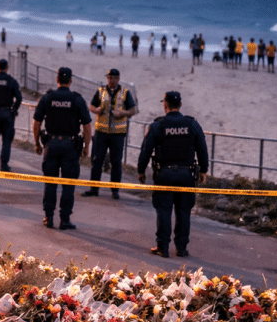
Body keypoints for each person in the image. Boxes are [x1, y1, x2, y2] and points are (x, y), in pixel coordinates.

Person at [137, 91, 208, 258]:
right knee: (183, 211)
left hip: (164, 174)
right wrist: (203, 170)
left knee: (164, 210)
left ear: (165, 105)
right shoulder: (192, 124)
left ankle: (162, 247)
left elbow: (146, 150)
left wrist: (141, 170)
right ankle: (181, 248)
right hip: (186, 174)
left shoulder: (158, 125)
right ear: (180, 105)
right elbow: (202, 149)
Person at [33, 67, 92, 229]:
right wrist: (86, 147)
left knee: (50, 182)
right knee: (68, 184)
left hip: (51, 144)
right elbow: (87, 126)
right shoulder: (77, 100)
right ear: (71, 80)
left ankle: (49, 217)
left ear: (57, 79)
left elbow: (36, 122)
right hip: (70, 146)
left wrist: (37, 143)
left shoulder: (48, 98)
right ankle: (64, 219)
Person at [83, 68, 138, 199]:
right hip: (101, 133)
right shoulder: (100, 91)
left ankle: (115, 190)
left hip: (118, 134)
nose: (111, 80)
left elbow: (133, 110)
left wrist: (122, 113)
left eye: (114, 78)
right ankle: (94, 189)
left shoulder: (125, 93)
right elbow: (91, 106)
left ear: (118, 79)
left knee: (116, 162)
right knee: (97, 160)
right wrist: (97, 110)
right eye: (109, 78)